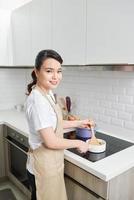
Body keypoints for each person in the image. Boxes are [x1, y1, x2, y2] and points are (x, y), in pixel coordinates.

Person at [25, 49, 94, 200]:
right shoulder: (38, 101)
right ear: (36, 72)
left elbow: (54, 123)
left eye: (59, 71)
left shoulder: (47, 93)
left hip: (50, 164)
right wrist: (78, 143)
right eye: (49, 71)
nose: (56, 76)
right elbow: (51, 141)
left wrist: (79, 123)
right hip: (42, 168)